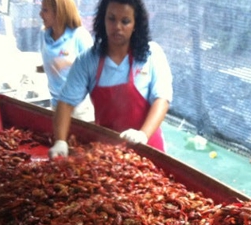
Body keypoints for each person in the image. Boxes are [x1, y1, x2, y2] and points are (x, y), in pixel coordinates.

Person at [48, 0, 172, 158]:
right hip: (109, 152)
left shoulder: (152, 54)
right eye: (111, 19)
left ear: (135, 25)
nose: (117, 27)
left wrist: (143, 135)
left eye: (125, 21)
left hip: (148, 148)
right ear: (102, 20)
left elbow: (162, 99)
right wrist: (60, 141)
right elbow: (65, 102)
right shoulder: (88, 60)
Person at [39, 0, 95, 121]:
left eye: (45, 10)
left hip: (79, 108)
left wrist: (69, 63)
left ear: (59, 12)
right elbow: (51, 64)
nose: (40, 14)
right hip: (56, 104)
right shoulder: (43, 35)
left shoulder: (80, 35)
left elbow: (96, 68)